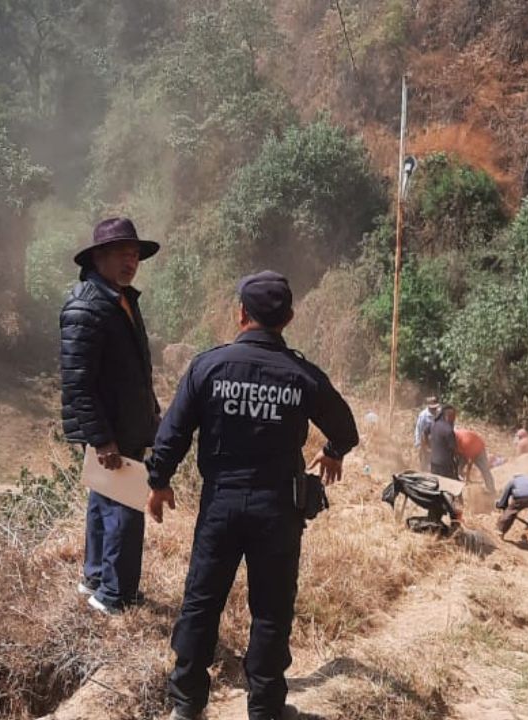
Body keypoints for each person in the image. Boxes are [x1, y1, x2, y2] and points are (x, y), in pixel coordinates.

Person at [145, 271, 359, 720]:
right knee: (271, 608)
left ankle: (186, 705)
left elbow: (174, 431)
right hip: (278, 510)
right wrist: (333, 452)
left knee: (202, 600)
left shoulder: (208, 366)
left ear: (240, 313)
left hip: (220, 504)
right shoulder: (302, 374)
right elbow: (346, 428)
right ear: (289, 318)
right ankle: (264, 708)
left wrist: (159, 481)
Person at [60, 217, 161, 615]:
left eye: (135, 254)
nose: (130, 261)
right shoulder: (86, 306)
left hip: (126, 424)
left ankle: (97, 579)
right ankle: (116, 595)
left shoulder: (119, 299)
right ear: (99, 257)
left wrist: (150, 407)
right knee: (124, 509)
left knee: (105, 501)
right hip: (112, 429)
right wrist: (101, 438)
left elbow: (132, 367)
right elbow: (78, 383)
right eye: (122, 253)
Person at [495, 474, 528, 550]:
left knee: (510, 512)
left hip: (522, 496)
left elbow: (503, 501)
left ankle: (499, 532)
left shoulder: (513, 481)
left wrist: (502, 506)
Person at [454, 426, 496, 494]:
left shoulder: (466, 442)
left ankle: (491, 489)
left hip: (478, 450)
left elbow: (470, 462)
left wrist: (467, 477)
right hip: (465, 449)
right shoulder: (454, 437)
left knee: (485, 470)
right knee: (458, 468)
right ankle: (457, 488)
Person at [428, 404, 459, 480]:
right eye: (454, 417)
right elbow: (453, 449)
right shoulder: (448, 430)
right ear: (449, 416)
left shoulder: (434, 424)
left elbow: (424, 434)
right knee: (447, 487)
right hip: (445, 465)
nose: (454, 419)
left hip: (433, 462)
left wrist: (427, 447)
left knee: (435, 484)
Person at [412, 396, 439, 471]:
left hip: (434, 442)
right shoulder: (423, 415)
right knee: (424, 461)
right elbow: (418, 429)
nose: (434, 409)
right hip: (425, 441)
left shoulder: (438, 413)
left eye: (435, 407)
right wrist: (418, 443)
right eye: (432, 408)